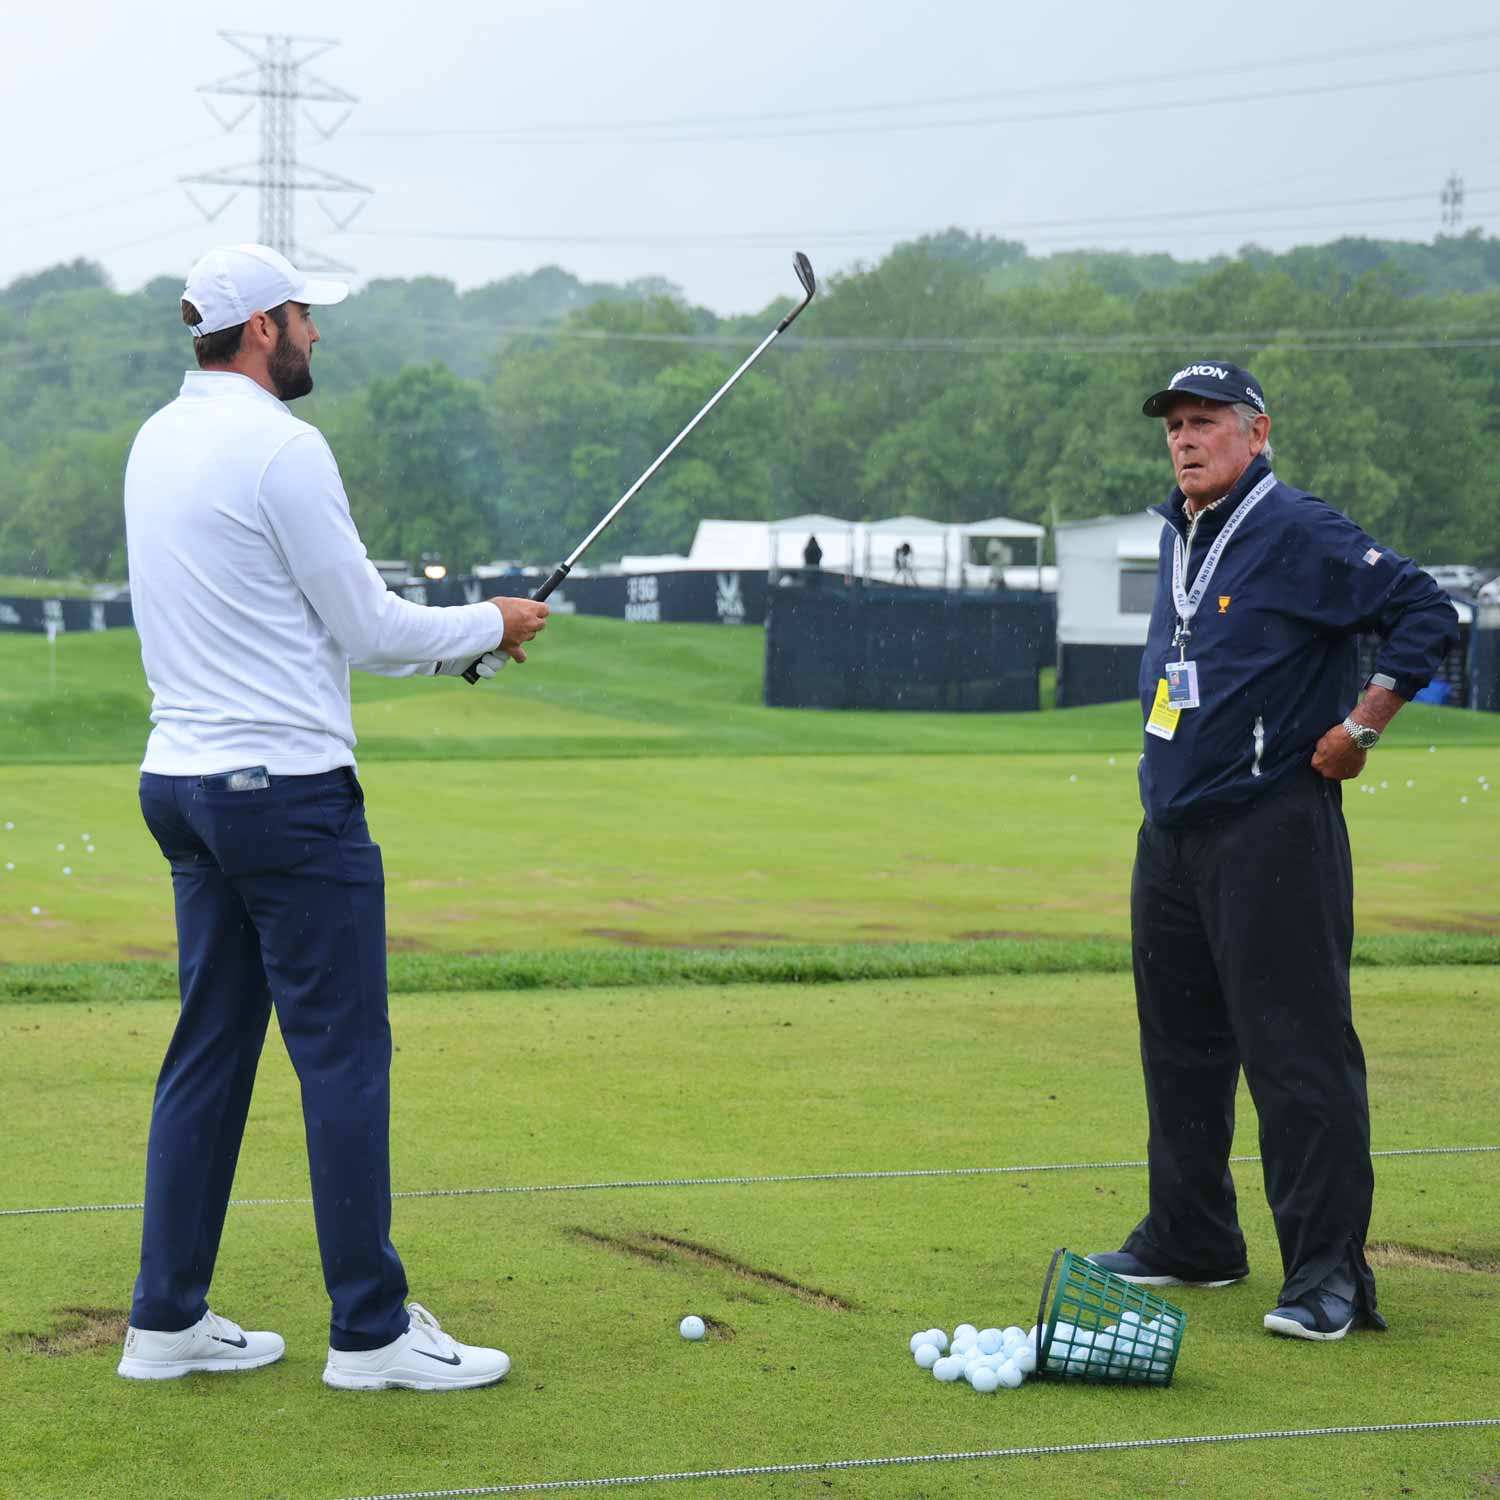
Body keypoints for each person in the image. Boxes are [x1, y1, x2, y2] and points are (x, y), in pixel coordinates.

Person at [116, 243, 550, 1391]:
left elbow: (301, 631)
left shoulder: (158, 438)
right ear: (261, 327)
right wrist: (487, 620)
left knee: (209, 1050)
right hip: (287, 803)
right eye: (305, 316)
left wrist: (460, 643)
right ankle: (370, 1332)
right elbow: (362, 626)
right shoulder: (284, 448)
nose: (317, 334)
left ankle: (165, 1319)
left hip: (183, 790)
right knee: (345, 1059)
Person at [1089, 359, 1458, 1342]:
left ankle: (1329, 1280)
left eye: (1206, 421)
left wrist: (1365, 725)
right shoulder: (1182, 532)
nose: (1185, 439)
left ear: (1258, 433)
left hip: (1271, 828)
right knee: (1179, 1051)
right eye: (1174, 425)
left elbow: (1426, 612)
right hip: (1170, 830)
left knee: (1297, 1056)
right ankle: (1192, 1237)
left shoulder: (1297, 529)